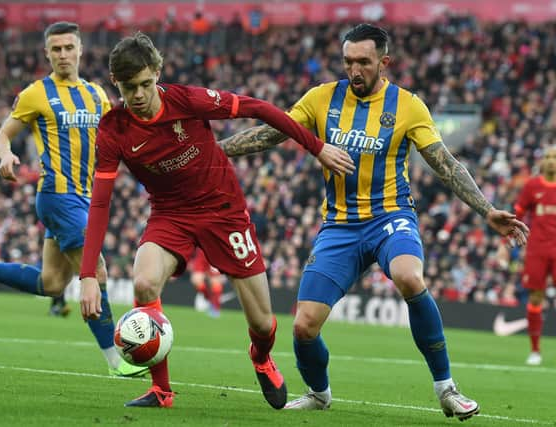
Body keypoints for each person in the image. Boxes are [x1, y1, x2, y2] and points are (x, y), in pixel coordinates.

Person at [216, 23, 529, 421]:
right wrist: (213, 150)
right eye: (348, 61)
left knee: (410, 278)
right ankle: (318, 393)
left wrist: (487, 210)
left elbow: (445, 164)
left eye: (363, 62)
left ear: (384, 63)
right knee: (303, 328)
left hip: (390, 217)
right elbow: (269, 134)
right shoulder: (321, 98)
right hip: (340, 228)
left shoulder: (408, 106)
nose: (354, 70)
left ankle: (446, 389)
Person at [78, 32, 354, 409]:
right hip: (170, 214)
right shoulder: (114, 130)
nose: (139, 95)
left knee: (262, 323)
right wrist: (88, 274)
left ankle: (260, 356)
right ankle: (162, 391)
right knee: (143, 284)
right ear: (117, 83)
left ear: (157, 73)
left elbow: (258, 108)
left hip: (224, 211)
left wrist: (317, 147)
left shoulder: (188, 101)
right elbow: (100, 203)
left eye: (145, 84)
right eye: (129, 88)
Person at [0, 21, 147, 378]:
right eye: (56, 49)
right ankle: (116, 361)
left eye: (68, 47)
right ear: (47, 53)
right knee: (95, 271)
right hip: (57, 196)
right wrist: (5, 155)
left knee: (51, 284)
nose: (63, 54)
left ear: (80, 50)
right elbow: (1, 137)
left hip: (88, 199)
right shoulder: (36, 93)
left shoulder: (97, 95)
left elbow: (119, 141)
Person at [499, 145, 556, 366]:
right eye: (548, 157)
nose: (551, 161)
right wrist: (505, 244)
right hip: (538, 250)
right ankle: (535, 350)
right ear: (543, 161)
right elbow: (517, 215)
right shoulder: (532, 186)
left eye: (554, 157)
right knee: (535, 298)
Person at [189, 248, 225, 317]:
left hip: (216, 255)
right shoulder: (201, 250)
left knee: (216, 285)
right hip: (203, 252)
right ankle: (210, 300)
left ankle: (215, 308)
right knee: (196, 281)